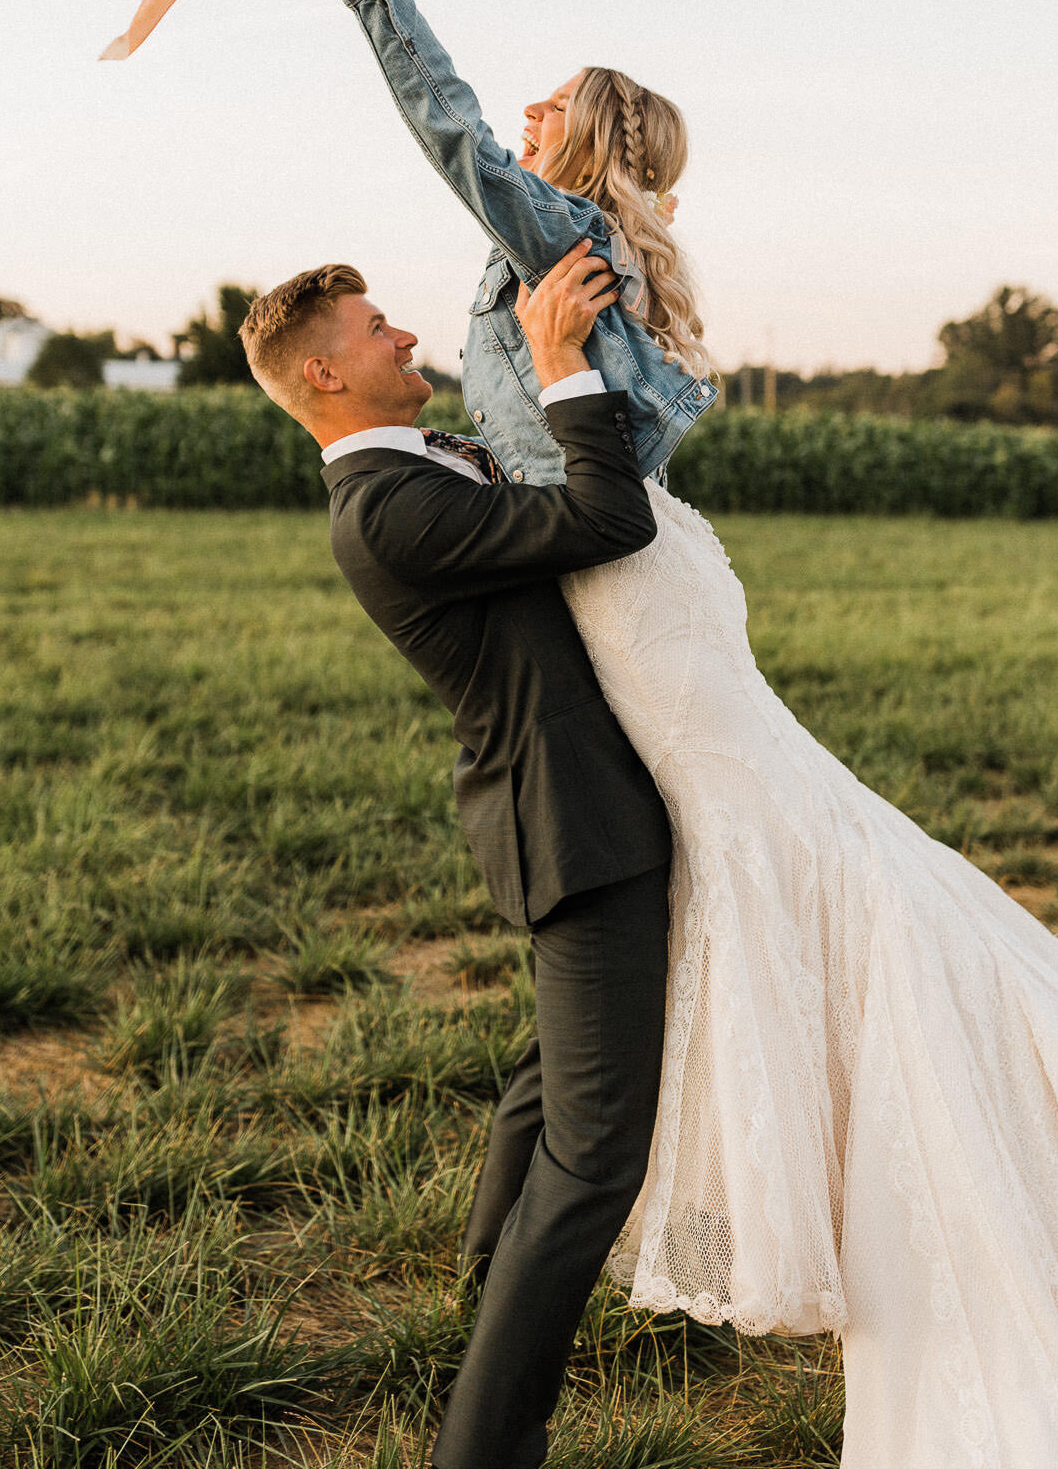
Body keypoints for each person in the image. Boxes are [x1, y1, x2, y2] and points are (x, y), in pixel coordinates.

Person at [309, 0, 1058, 1468]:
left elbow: (441, 121)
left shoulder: (551, 236)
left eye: (545, 107)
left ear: (573, 136)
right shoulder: (571, 266)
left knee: (769, 852)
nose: (517, 116)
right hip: (656, 586)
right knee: (777, 850)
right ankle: (562, 1230)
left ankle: (912, 1149)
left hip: (637, 594)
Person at [238, 247, 674, 1469]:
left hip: (561, 810)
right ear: (324, 370)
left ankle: (481, 1271)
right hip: (574, 825)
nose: (405, 336)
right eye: (380, 328)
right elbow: (603, 517)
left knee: (549, 1072)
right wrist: (558, 361)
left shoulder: (412, 468)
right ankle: (484, 1446)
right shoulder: (388, 503)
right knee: (595, 1157)